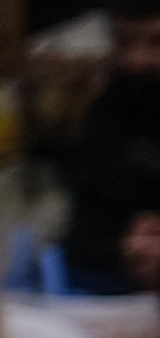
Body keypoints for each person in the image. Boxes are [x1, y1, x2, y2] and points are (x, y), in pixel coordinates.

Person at [62, 16, 160, 292]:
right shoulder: (111, 111)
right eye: (124, 42)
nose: (136, 60)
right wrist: (127, 249)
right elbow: (82, 235)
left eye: (156, 42)